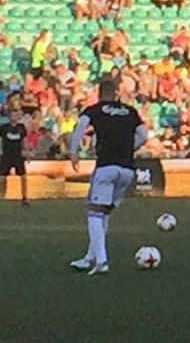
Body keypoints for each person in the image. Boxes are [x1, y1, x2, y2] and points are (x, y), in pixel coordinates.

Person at [67, 76, 147, 275]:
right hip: (127, 169)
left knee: (94, 211)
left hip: (106, 167)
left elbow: (80, 127)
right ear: (116, 93)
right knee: (104, 212)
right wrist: (129, 148)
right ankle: (90, 257)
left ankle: (102, 261)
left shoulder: (94, 110)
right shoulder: (130, 111)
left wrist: (73, 151)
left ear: (99, 93)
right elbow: (144, 135)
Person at [0, 110, 30, 207]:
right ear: (9, 117)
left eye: (16, 115)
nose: (14, 117)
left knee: (23, 177)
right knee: (1, 177)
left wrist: (27, 153)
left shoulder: (21, 128)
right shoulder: (4, 128)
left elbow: (24, 141)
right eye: (13, 115)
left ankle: (24, 198)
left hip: (18, 156)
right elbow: (0, 141)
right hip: (7, 155)